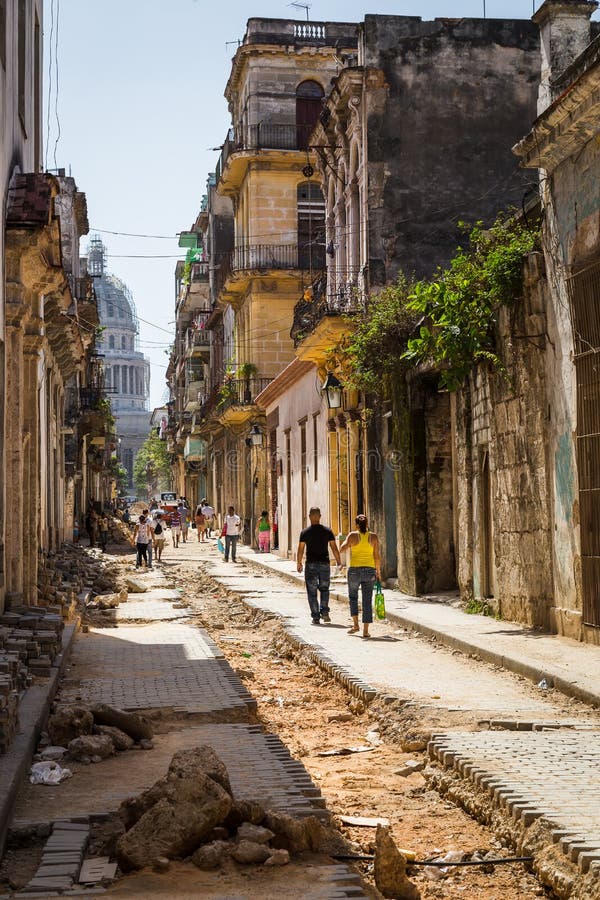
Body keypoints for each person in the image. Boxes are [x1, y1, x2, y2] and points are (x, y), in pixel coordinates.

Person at [296, 507, 342, 625]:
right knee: (324, 589)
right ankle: (325, 612)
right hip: (324, 565)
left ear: (310, 516)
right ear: (320, 516)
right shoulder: (327, 531)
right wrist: (339, 562)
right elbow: (334, 547)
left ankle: (316, 616)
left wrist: (299, 562)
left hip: (311, 564)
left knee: (312, 591)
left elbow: (301, 549)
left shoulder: (305, 532)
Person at [340, 514, 381, 639]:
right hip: (369, 571)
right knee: (367, 601)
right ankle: (365, 631)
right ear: (367, 524)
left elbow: (342, 549)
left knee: (353, 597)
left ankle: (356, 625)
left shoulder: (353, 535)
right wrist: (378, 571)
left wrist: (348, 544)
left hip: (354, 572)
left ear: (356, 525)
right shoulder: (373, 537)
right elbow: (377, 556)